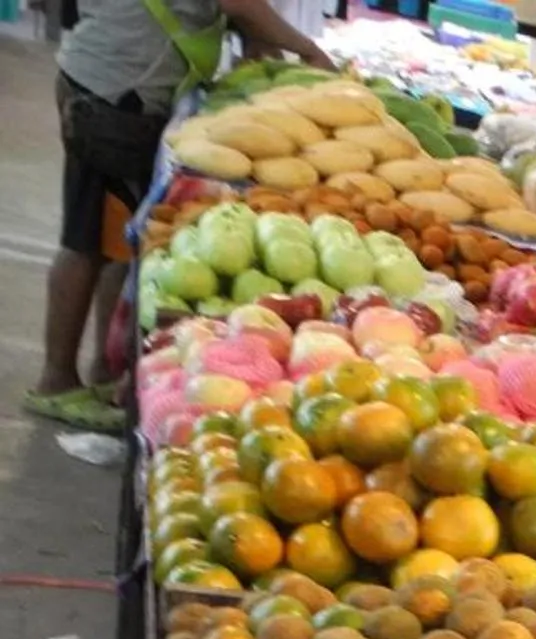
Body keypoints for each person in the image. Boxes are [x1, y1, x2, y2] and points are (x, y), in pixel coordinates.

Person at [32, 0, 332, 430]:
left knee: (119, 241)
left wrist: (255, 40)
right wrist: (306, 48)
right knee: (84, 241)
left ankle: (105, 367)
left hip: (124, 88)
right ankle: (55, 380)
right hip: (109, 95)